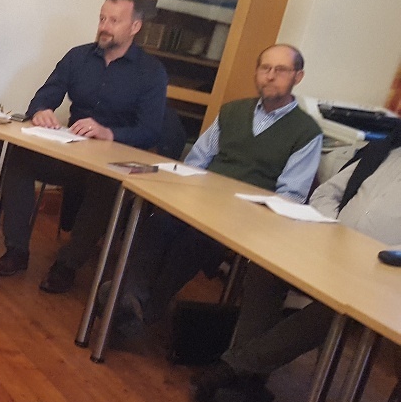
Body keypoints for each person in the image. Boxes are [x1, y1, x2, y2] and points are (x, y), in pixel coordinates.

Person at [114, 45, 323, 330]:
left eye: (281, 70)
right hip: (202, 201)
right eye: (265, 68)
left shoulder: (306, 132)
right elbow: (197, 161)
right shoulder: (232, 112)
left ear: (298, 77)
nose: (271, 76)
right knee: (157, 224)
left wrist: (242, 209)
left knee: (194, 242)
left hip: (245, 219)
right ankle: (132, 299)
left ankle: (144, 309)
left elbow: (291, 196)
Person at [191, 129, 401, 402]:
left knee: (337, 310)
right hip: (331, 244)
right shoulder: (382, 152)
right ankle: (248, 379)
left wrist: (382, 250)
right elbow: (327, 193)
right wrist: (338, 228)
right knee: (264, 267)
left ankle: (233, 368)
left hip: (379, 270)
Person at [0, 0, 168, 293]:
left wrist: (109, 133)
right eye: (102, 18)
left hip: (112, 162)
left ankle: (67, 265)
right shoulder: (78, 57)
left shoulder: (151, 73)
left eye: (114, 21)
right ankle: (16, 250)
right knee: (19, 158)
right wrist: (42, 111)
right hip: (73, 154)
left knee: (106, 183)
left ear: (135, 27)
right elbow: (44, 96)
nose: (104, 27)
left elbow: (150, 130)